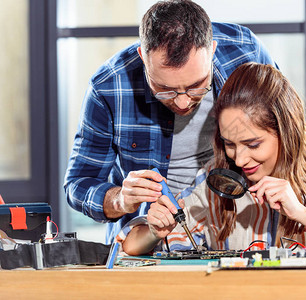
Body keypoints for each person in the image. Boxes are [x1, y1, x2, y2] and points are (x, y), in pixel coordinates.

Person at [119, 62, 306, 256]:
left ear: (285, 132)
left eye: (253, 144)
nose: (240, 158)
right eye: (230, 144)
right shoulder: (215, 180)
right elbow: (128, 247)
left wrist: (302, 214)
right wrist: (155, 231)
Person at [64, 0, 276, 244]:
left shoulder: (246, 52)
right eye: (165, 89)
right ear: (143, 56)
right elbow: (78, 185)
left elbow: (282, 130)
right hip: (146, 240)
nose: (184, 103)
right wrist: (120, 199)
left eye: (198, 87)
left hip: (234, 229)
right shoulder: (108, 87)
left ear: (213, 50)